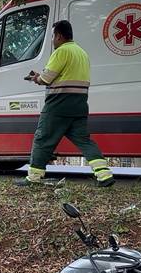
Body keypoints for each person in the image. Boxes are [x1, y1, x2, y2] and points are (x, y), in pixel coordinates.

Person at [17, 20, 114, 187]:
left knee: (42, 139)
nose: (53, 40)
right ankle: (104, 175)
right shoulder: (82, 53)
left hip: (58, 104)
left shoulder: (61, 52)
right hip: (80, 105)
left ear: (59, 36)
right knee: (84, 140)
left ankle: (33, 177)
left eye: (53, 36)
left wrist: (36, 78)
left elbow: (46, 79)